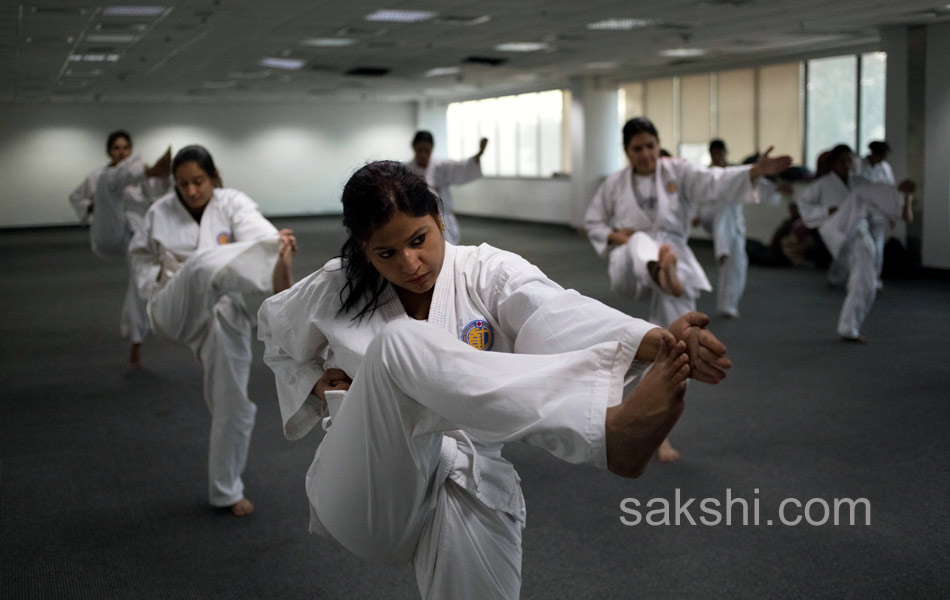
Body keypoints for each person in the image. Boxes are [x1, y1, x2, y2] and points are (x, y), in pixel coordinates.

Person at [258, 160, 733, 599]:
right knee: (399, 344)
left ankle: (604, 432)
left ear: (439, 219)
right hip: (364, 489)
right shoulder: (334, 287)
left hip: (463, 475)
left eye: (419, 240)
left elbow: (558, 314)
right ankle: (607, 435)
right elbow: (273, 333)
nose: (409, 264)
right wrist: (316, 384)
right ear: (363, 249)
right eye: (386, 253)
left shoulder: (487, 271)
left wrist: (659, 342)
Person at [584, 118, 790, 461]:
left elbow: (713, 181)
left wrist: (753, 171)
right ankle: (659, 270)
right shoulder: (614, 184)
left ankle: (660, 432)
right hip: (631, 267)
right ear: (627, 152)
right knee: (639, 244)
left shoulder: (677, 171)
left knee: (676, 346)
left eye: (651, 145)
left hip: (674, 262)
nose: (647, 154)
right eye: (638, 149)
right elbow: (593, 223)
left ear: (657, 144)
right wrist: (626, 237)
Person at [129, 145, 297, 516]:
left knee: (234, 403)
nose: (191, 191)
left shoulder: (232, 203)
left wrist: (275, 245)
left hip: (222, 312)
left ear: (214, 177)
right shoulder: (159, 213)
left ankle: (226, 489)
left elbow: (257, 233)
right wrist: (155, 279)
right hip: (172, 306)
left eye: (199, 181)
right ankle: (280, 279)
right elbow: (139, 256)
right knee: (204, 264)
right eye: (183, 184)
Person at [70, 130, 172, 367]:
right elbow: (76, 197)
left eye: (125, 148)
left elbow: (157, 191)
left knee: (139, 283)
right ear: (108, 151)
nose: (121, 152)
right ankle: (138, 178)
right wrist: (92, 206)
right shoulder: (99, 175)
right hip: (108, 232)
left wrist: (161, 177)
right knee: (109, 182)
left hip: (135, 231)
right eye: (116, 148)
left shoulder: (137, 174)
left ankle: (136, 339)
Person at [796, 144, 914, 342]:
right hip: (834, 229)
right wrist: (827, 211)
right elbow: (803, 204)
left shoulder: (859, 181)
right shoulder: (822, 185)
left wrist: (901, 197)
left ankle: (849, 327)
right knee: (860, 195)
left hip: (857, 233)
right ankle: (899, 198)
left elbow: (875, 193)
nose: (847, 164)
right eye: (842, 160)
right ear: (833, 163)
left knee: (866, 280)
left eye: (850, 160)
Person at [406, 130, 487, 245]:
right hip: (417, 219)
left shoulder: (441, 166)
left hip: (443, 218)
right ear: (414, 148)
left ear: (432, 149)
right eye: (420, 150)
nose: (423, 154)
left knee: (447, 249)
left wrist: (480, 153)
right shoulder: (407, 170)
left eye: (427, 150)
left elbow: (462, 168)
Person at [855, 140, 897, 288]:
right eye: (881, 155)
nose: (883, 159)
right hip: (859, 212)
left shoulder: (885, 168)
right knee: (862, 247)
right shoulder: (858, 165)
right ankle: (848, 276)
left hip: (877, 212)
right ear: (873, 154)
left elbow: (890, 190)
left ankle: (873, 279)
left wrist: (892, 215)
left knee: (877, 248)